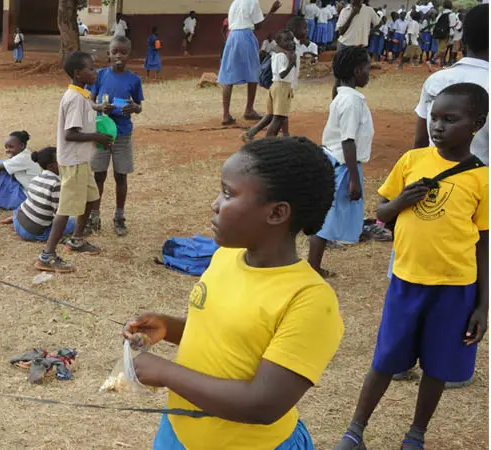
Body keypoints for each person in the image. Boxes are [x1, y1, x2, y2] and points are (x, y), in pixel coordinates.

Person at [124, 136, 342, 450]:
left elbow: (263, 404)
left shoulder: (309, 300)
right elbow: (228, 337)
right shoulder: (227, 256)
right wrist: (168, 328)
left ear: (277, 213)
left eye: (228, 193)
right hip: (178, 434)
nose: (215, 204)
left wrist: (166, 372)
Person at [332, 83, 490, 450]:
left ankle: (415, 435)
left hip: (455, 289)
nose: (438, 126)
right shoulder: (412, 161)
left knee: (438, 366)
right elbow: (381, 213)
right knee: (385, 359)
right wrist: (402, 200)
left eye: (450, 119)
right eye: (434, 118)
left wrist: (483, 305)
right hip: (406, 282)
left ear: (477, 124)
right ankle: (355, 431)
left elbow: (484, 243)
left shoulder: (482, 179)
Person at [37, 51, 113, 273]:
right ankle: (46, 256)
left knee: (91, 198)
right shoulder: (74, 99)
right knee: (66, 208)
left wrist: (99, 113)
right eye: (91, 68)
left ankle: (77, 240)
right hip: (73, 162)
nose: (95, 72)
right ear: (78, 74)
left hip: (82, 160)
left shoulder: (83, 95)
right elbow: (70, 134)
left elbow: (87, 115)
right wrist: (97, 137)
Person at [308, 47, 374, 279]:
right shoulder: (351, 101)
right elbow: (348, 141)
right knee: (328, 217)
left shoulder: (344, 96)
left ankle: (314, 265)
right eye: (367, 69)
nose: (369, 73)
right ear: (356, 71)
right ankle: (313, 267)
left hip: (338, 162)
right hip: (342, 164)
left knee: (330, 214)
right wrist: (354, 180)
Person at [415, 4, 487, 164]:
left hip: (434, 174)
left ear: (464, 39)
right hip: (481, 177)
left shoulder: (436, 80)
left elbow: (420, 141)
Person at [89, 36, 144, 237]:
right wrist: (100, 107)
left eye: (123, 52)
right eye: (115, 52)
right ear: (109, 54)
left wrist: (134, 107)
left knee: (121, 176)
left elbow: (139, 106)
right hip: (102, 133)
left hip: (122, 134)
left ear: (129, 55)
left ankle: (119, 217)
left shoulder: (134, 80)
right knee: (98, 175)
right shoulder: (100, 76)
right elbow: (90, 101)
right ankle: (94, 216)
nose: (119, 56)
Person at [219, 0, 283, 126]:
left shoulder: (235, 3)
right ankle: (249, 109)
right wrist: (272, 12)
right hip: (246, 36)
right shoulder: (253, 2)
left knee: (228, 76)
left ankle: (226, 115)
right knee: (253, 72)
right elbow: (259, 26)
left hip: (232, 37)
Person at [244, 30, 299, 142]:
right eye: (286, 40)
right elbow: (282, 74)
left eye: (291, 40)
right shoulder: (281, 56)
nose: (290, 42)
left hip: (277, 87)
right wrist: (291, 63)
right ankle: (268, 141)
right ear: (278, 43)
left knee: (272, 115)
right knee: (278, 117)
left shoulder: (280, 54)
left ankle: (250, 133)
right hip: (281, 87)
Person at [14, 147, 71, 242]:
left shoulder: (36, 178)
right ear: (52, 166)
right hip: (31, 233)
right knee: (72, 222)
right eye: (62, 160)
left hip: (17, 221)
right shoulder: (56, 184)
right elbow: (58, 214)